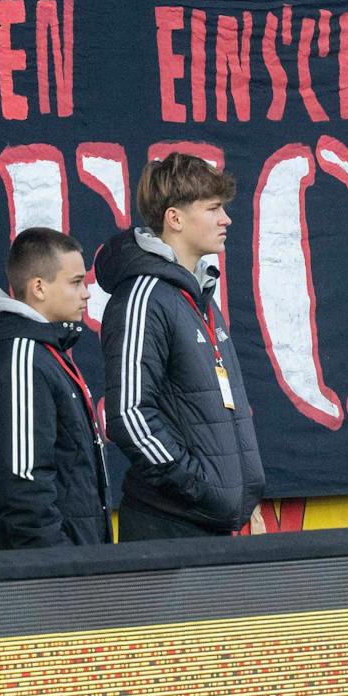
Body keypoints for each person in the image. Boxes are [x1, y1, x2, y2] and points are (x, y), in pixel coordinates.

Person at [96, 152, 264, 542]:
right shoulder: (143, 296)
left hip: (213, 523)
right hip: (169, 527)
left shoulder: (200, 295)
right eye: (214, 208)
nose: (227, 219)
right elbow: (129, 415)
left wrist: (242, 495)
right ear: (175, 218)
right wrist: (200, 487)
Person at [0, 227, 111, 550]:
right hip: (46, 584)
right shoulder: (20, 358)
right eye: (75, 283)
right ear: (39, 288)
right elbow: (23, 485)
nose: (86, 293)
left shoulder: (45, 353)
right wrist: (57, 567)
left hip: (74, 575)